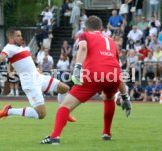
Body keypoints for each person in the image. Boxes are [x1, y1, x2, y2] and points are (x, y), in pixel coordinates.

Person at [40, 16, 131, 144]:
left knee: (65, 106)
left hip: (93, 75)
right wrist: (125, 96)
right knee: (109, 98)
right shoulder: (111, 41)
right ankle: (106, 133)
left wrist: (77, 68)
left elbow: (82, 48)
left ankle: (55, 136)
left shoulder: (85, 35)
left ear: (86, 28)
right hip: (114, 77)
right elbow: (117, 69)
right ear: (101, 28)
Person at [0, 27, 75, 121]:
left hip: (38, 78)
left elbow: (11, 61)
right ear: (11, 38)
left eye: (21, 35)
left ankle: (64, 113)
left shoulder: (20, 48)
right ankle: (9, 111)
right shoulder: (8, 48)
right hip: (30, 83)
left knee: (64, 89)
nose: (21, 37)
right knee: (41, 114)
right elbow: (1, 58)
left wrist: (11, 70)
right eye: (18, 36)